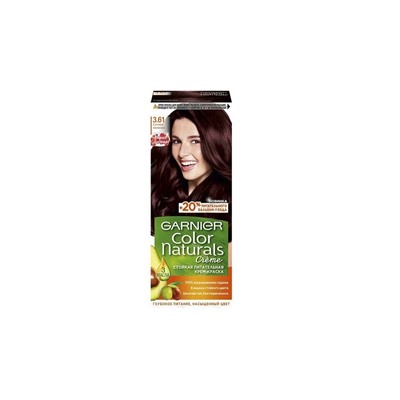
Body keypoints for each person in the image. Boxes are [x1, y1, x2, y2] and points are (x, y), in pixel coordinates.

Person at [151, 109, 232, 242]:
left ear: (217, 143)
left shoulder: (229, 203)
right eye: (176, 141)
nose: (182, 153)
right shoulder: (161, 191)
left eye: (195, 141)